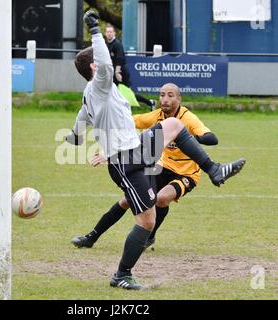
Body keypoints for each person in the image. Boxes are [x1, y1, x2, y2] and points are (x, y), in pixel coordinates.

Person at [66, 11, 245, 290]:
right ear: (94, 69)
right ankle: (121, 275)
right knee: (147, 220)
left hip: (135, 151)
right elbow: (103, 62)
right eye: (105, 64)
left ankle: (214, 170)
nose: (111, 64)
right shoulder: (100, 85)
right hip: (126, 161)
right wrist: (95, 30)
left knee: (173, 124)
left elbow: (78, 127)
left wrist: (73, 139)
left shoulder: (95, 94)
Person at [71, 83, 219, 250]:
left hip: (186, 174)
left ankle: (150, 236)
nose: (165, 99)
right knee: (127, 200)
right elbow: (127, 122)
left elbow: (211, 138)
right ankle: (92, 237)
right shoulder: (156, 116)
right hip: (161, 167)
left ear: (179, 99)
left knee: (162, 198)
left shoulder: (188, 118)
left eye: (170, 95)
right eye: (162, 95)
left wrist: (185, 139)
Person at [104, 24, 156, 110]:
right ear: (105, 33)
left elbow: (119, 59)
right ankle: (115, 110)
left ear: (114, 33)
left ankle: (150, 102)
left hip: (121, 73)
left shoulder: (117, 44)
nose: (109, 33)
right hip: (114, 73)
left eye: (111, 32)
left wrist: (117, 72)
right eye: (107, 32)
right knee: (112, 92)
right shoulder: (108, 44)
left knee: (128, 94)